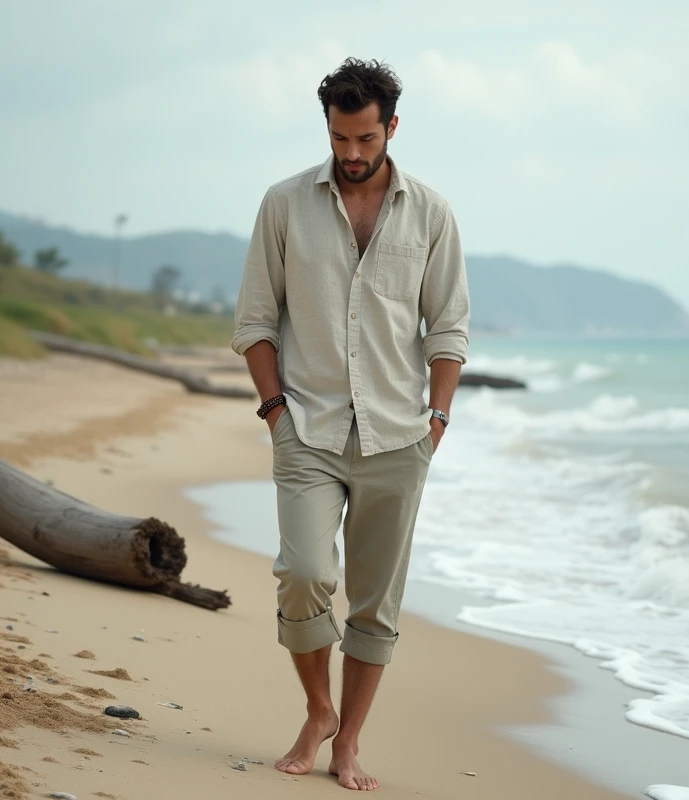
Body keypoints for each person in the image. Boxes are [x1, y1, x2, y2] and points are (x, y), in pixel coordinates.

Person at [230, 57, 471, 791]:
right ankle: (317, 708)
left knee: (375, 602)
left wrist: (436, 419)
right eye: (340, 138)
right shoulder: (284, 204)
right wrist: (275, 413)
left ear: (392, 127)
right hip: (308, 424)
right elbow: (254, 320)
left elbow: (449, 328)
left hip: (400, 436)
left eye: (365, 138)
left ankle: (348, 744)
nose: (352, 154)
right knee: (303, 574)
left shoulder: (430, 213)